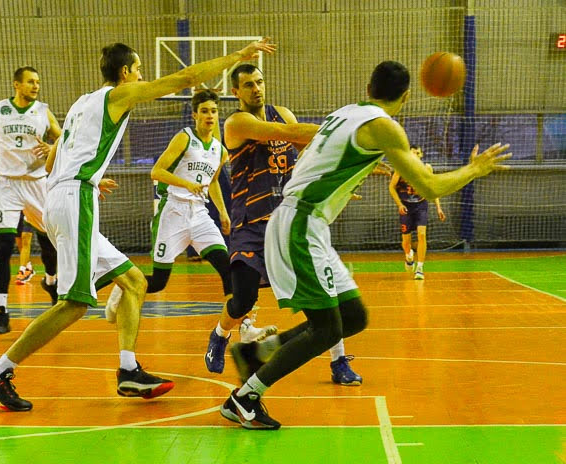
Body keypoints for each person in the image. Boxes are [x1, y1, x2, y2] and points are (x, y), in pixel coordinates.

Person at [0, 39, 276, 411]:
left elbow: (53, 161)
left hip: (66, 194)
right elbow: (187, 77)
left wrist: (89, 178)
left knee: (133, 282)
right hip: (73, 200)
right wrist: (237, 57)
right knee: (75, 305)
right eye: (138, 69)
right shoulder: (118, 95)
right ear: (125, 73)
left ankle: (129, 370)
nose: (142, 75)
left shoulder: (83, 103)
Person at [220, 60, 511, 429]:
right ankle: (244, 397)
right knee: (324, 329)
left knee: (353, 317)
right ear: (406, 96)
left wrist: (340, 180)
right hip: (299, 223)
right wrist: (475, 169)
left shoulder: (348, 113)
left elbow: (317, 155)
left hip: (308, 222)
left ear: (369, 88)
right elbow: (430, 187)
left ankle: (257, 352)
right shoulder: (385, 128)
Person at [204, 64, 363, 386]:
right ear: (235, 92)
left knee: (322, 297)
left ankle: (338, 361)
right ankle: (220, 335)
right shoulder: (238, 122)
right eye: (248, 85)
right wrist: (349, 135)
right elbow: (289, 135)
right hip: (249, 223)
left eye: (260, 82)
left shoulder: (284, 113)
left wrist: (340, 179)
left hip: (288, 221)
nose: (256, 89)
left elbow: (311, 154)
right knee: (243, 299)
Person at [104, 90, 235, 328]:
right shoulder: (184, 138)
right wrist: (187, 184)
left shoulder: (220, 150)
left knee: (228, 269)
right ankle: (122, 285)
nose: (209, 116)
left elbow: (214, 181)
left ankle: (242, 328)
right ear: (195, 114)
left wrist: (223, 213)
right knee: (158, 282)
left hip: (200, 215)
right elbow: (157, 171)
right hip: (173, 212)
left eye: (213, 111)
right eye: (204, 111)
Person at [0, 66, 62, 335]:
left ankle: (51, 282)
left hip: (36, 183)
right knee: (4, 246)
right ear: (16, 84)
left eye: (38, 82)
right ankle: (0, 313)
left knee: (49, 242)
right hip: (6, 184)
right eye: (31, 82)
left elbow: (63, 137)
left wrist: (53, 147)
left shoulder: (43, 110)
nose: (36, 86)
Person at [389, 144, 446, 280]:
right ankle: (409, 255)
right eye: (412, 153)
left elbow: (433, 189)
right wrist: (399, 204)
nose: (414, 155)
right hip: (406, 207)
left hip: (421, 205)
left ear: (421, 155)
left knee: (421, 234)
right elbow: (391, 187)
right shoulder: (401, 169)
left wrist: (438, 207)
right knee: (406, 241)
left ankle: (420, 268)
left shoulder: (427, 169)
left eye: (417, 153)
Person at [0, 207, 36, 285]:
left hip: (29, 210)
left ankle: (22, 271)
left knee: (25, 239)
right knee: (19, 243)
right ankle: (28, 267)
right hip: (15, 212)